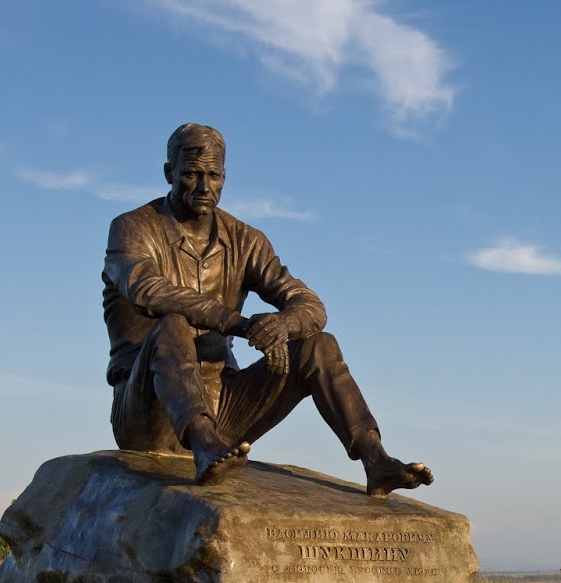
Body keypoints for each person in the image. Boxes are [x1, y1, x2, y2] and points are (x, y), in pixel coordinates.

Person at [102, 122, 432, 495]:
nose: (203, 187)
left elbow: (310, 305)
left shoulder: (245, 240)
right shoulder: (131, 229)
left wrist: (281, 325)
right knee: (173, 325)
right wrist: (240, 325)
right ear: (168, 173)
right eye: (192, 174)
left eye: (213, 175)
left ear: (225, 177)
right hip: (149, 410)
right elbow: (148, 290)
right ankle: (203, 445)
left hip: (226, 404)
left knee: (318, 345)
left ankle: (375, 459)